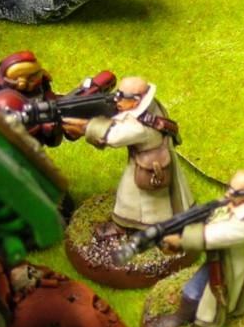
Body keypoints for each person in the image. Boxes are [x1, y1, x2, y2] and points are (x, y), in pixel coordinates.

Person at [150, 170, 244, 327]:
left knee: (196, 289)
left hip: (231, 259)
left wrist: (181, 239)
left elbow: (212, 236)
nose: (228, 194)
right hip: (234, 251)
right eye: (229, 188)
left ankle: (180, 318)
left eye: (235, 192)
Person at [65, 76, 194, 231]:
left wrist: (86, 127)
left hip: (147, 165)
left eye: (122, 97)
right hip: (158, 157)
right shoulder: (153, 105)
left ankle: (128, 226)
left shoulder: (139, 126)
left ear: (136, 101)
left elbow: (114, 137)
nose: (116, 100)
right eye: (117, 94)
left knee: (131, 197)